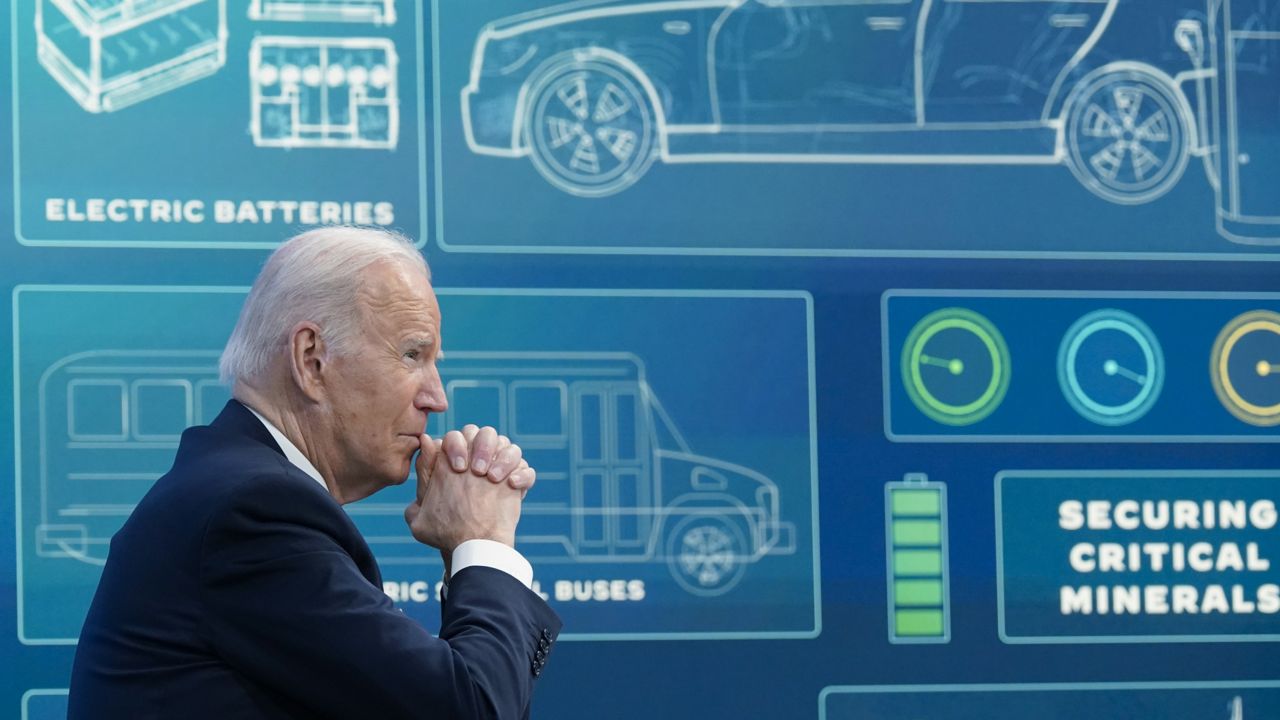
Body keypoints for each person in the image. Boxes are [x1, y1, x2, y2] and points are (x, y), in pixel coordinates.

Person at [67, 226, 560, 719]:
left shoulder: (234, 491)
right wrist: (485, 542)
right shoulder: (253, 513)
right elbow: (468, 710)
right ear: (311, 359)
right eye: (413, 355)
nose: (437, 397)